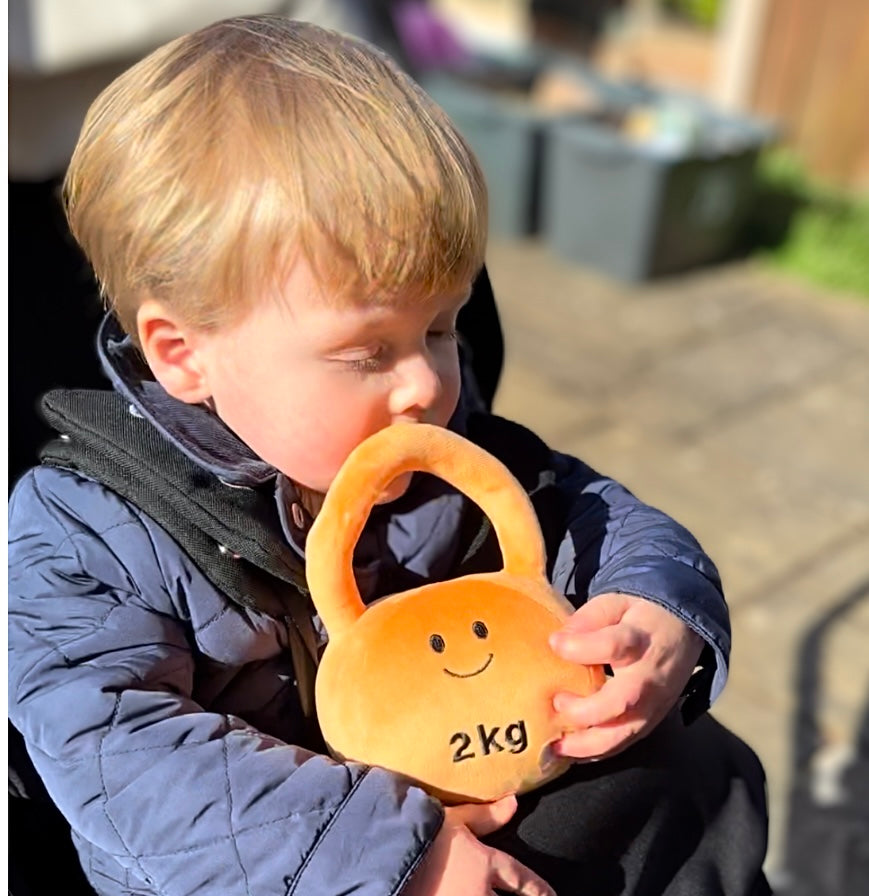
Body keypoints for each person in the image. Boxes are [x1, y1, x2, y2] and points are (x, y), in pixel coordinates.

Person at [7, 15, 770, 896]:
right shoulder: (84, 530)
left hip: (479, 767)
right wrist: (390, 851)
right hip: (272, 864)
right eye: (368, 352)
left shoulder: (434, 454)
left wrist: (651, 606)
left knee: (700, 772)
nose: (424, 385)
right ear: (184, 354)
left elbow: (578, 507)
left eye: (441, 326)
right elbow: (116, 758)